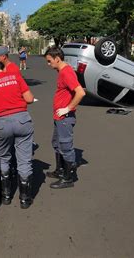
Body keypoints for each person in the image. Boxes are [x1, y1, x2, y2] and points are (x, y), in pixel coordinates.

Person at [0, 60, 35, 208]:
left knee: (3, 158)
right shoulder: (15, 77)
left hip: (1, 123)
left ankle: (5, 196)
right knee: (24, 160)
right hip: (22, 120)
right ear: (3, 68)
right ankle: (25, 199)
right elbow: (29, 98)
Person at [44, 47, 86, 189]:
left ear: (57, 58)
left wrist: (67, 108)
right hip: (59, 116)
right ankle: (60, 170)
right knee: (56, 143)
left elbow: (80, 93)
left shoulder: (66, 72)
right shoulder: (62, 71)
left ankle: (68, 178)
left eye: (49, 61)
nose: (48, 64)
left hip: (65, 117)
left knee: (65, 146)